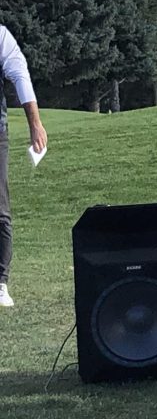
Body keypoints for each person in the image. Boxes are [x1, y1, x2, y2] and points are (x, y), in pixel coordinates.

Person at [0, 25, 48, 308]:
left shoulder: (1, 35)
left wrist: (35, 123)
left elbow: (19, 75)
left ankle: (0, 282)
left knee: (0, 210)